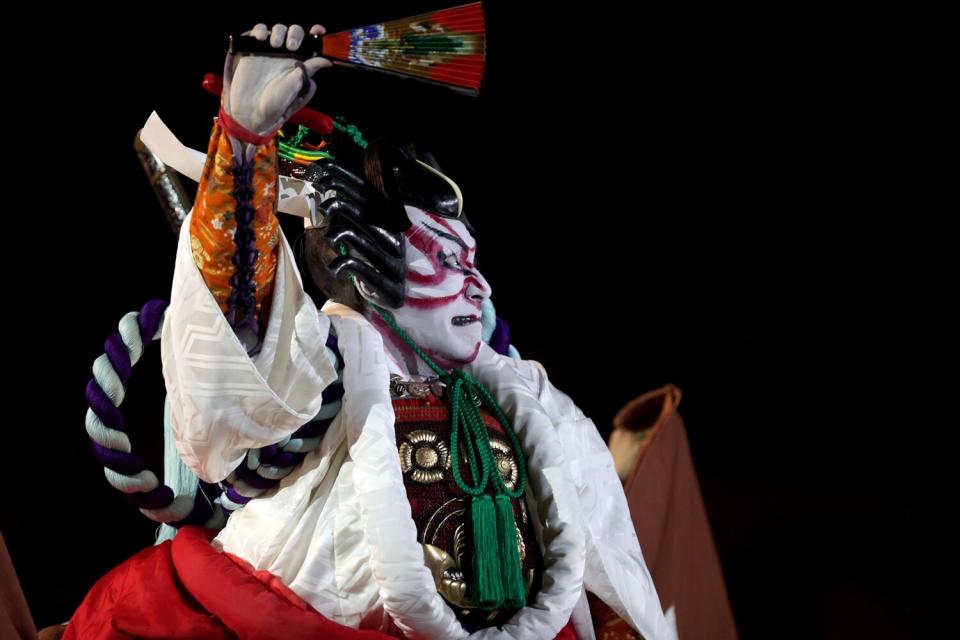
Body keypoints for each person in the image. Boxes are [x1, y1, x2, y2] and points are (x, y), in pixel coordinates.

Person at [65, 23, 676, 640]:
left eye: (473, 262)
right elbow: (238, 328)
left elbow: (599, 555)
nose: (480, 286)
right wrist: (244, 144)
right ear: (367, 263)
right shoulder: (316, 375)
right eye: (448, 263)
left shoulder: (518, 391)